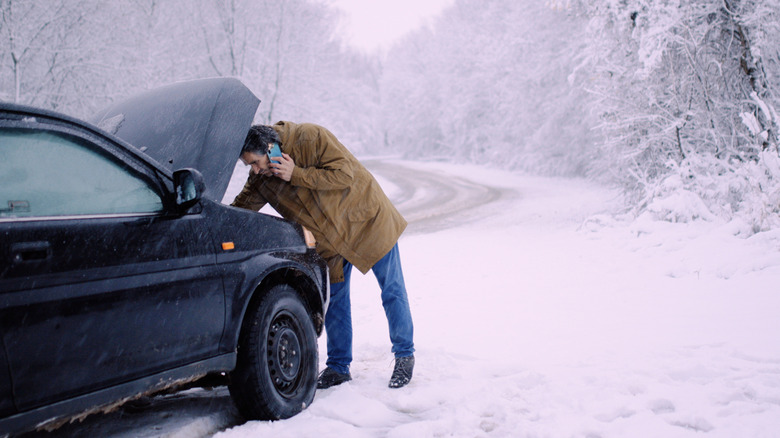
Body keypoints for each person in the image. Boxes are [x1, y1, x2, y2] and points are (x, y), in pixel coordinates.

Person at [231, 122, 415, 389]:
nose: (255, 170)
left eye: (256, 162)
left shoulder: (310, 137)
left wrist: (296, 174)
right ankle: (338, 368)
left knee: (392, 290)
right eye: (250, 166)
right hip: (329, 243)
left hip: (366, 221)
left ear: (270, 149)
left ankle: (404, 356)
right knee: (335, 303)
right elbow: (240, 210)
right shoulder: (261, 179)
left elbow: (345, 174)